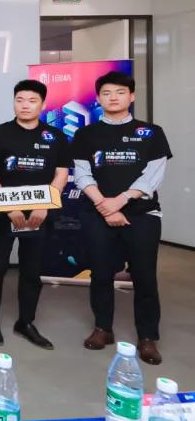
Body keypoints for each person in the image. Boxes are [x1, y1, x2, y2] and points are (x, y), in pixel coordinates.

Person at [71, 71, 171, 365]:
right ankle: (103, 328)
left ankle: (148, 337)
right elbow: (82, 174)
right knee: (100, 273)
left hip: (142, 214)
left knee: (144, 276)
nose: (113, 98)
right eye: (106, 93)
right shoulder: (86, 134)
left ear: (132, 96)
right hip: (97, 214)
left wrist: (121, 201)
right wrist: (104, 205)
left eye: (119, 92)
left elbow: (153, 176)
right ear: (98, 98)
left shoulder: (151, 132)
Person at [0, 80, 71, 350]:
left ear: (43, 104)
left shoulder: (55, 136)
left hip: (39, 215)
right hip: (4, 213)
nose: (25, 105)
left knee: (32, 269)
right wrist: (9, 206)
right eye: (19, 100)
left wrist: (45, 205)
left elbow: (61, 174)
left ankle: (26, 321)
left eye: (32, 101)